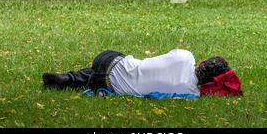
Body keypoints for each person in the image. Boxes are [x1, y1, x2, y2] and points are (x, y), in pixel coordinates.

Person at [42, 49, 243, 97]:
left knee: (118, 60)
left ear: (203, 63)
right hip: (111, 87)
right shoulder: (190, 92)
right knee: (98, 76)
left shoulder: (185, 56)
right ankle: (71, 79)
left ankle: (69, 78)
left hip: (109, 62)